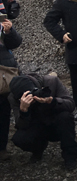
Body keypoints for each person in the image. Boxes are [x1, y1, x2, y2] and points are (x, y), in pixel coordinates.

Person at [8, 74, 77, 170]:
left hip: (56, 122)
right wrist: (23, 111)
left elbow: (71, 105)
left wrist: (52, 101)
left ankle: (70, 156)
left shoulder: (51, 81)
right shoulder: (13, 98)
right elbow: (20, 125)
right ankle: (38, 149)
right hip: (36, 125)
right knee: (19, 139)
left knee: (66, 117)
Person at [0, 17, 22, 161]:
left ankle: (1, 148)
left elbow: (15, 42)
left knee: (3, 113)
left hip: (3, 73)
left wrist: (9, 31)